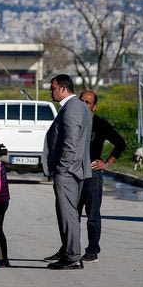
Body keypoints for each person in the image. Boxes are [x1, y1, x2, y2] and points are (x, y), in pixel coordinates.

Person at [41, 74, 92, 270]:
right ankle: (69, 253)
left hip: (69, 172)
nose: (50, 92)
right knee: (68, 214)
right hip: (75, 169)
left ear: (63, 88)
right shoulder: (79, 107)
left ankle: (72, 257)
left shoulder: (72, 109)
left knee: (68, 215)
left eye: (52, 88)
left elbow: (70, 143)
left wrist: (62, 169)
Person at [76, 90, 126, 263]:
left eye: (88, 102)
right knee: (71, 214)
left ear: (94, 107)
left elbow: (121, 143)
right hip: (73, 174)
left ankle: (92, 251)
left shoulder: (100, 124)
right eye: (81, 101)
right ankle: (68, 249)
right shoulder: (72, 122)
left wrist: (107, 163)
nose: (84, 105)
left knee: (92, 215)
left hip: (92, 173)